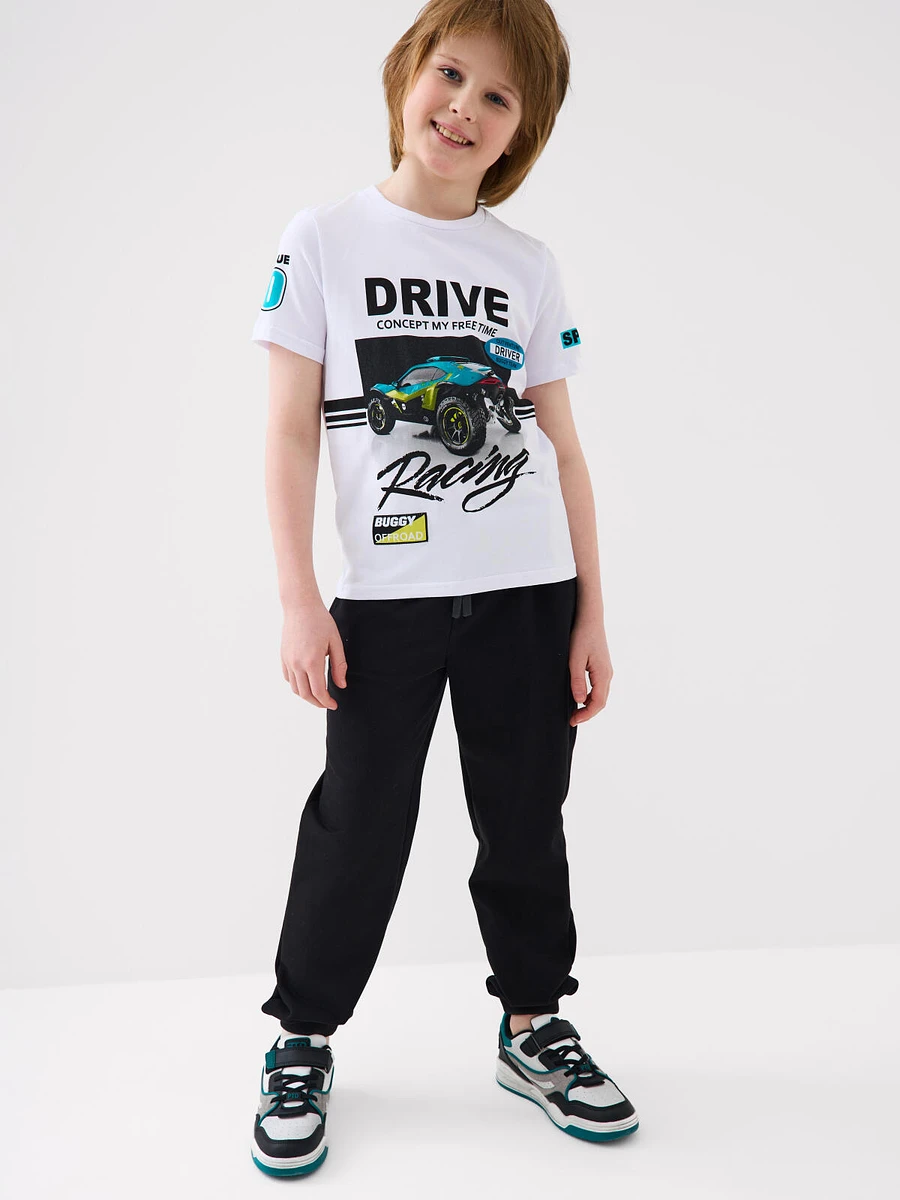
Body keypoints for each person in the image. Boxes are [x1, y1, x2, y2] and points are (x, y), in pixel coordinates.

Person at [248, 0, 639, 1178]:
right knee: (360, 818)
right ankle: (302, 1035)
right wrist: (298, 597)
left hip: (528, 591)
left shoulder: (526, 266)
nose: (465, 108)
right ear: (407, 75)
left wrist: (591, 612)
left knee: (525, 817)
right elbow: (289, 433)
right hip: (385, 601)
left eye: (498, 96)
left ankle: (533, 1025)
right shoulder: (324, 239)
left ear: (523, 130)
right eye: (452, 74)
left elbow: (563, 449)